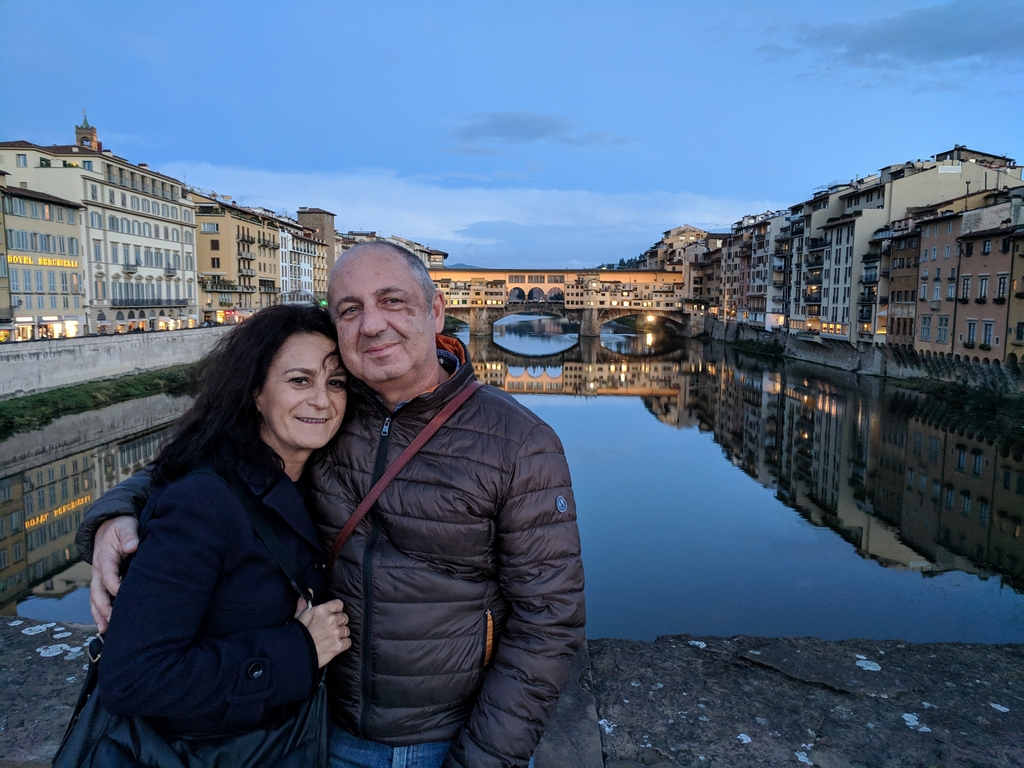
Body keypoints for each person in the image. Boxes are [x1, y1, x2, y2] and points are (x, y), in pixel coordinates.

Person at [78, 242, 586, 768]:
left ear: (436, 311)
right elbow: (204, 463)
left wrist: (483, 760)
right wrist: (115, 513)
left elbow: (548, 622)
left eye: (392, 300)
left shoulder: (520, 441)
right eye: (350, 309)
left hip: (445, 739)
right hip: (314, 727)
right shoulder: (326, 412)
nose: (371, 324)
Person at [95, 305, 352, 762]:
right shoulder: (204, 502)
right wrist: (298, 650)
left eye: (335, 383)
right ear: (255, 391)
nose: (322, 400)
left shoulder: (309, 476)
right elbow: (133, 677)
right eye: (299, 381)